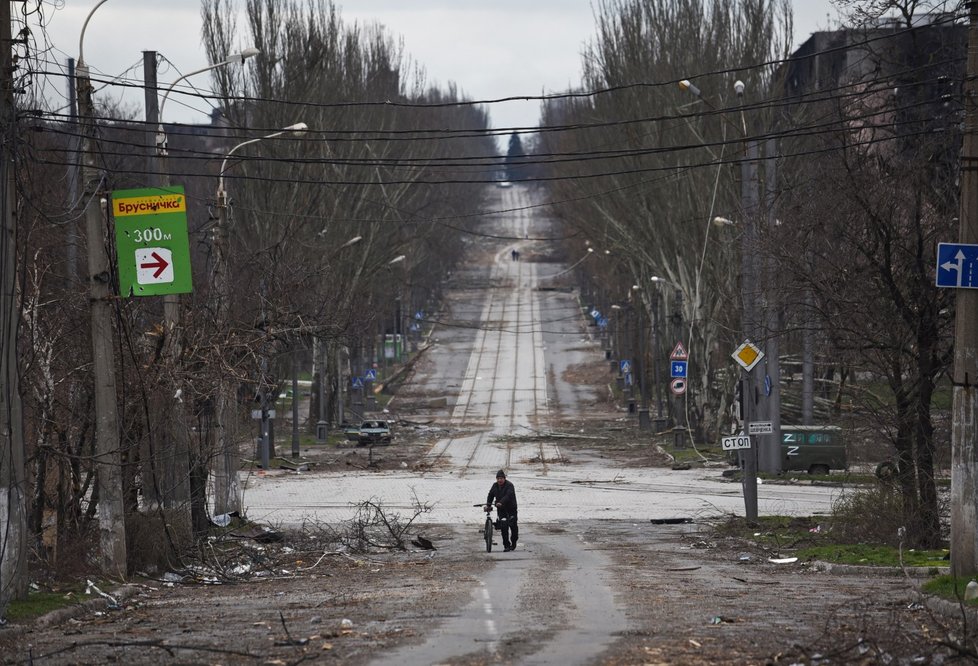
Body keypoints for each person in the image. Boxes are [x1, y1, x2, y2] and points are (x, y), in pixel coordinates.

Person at [485, 469, 518, 551]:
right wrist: (488, 505)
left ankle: (513, 543)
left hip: (511, 509)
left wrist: (501, 502)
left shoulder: (510, 485)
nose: (499, 480)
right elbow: (490, 495)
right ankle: (506, 545)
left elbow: (508, 496)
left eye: (501, 478)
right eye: (498, 478)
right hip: (501, 509)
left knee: (513, 527)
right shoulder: (495, 486)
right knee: (504, 526)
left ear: (504, 478)